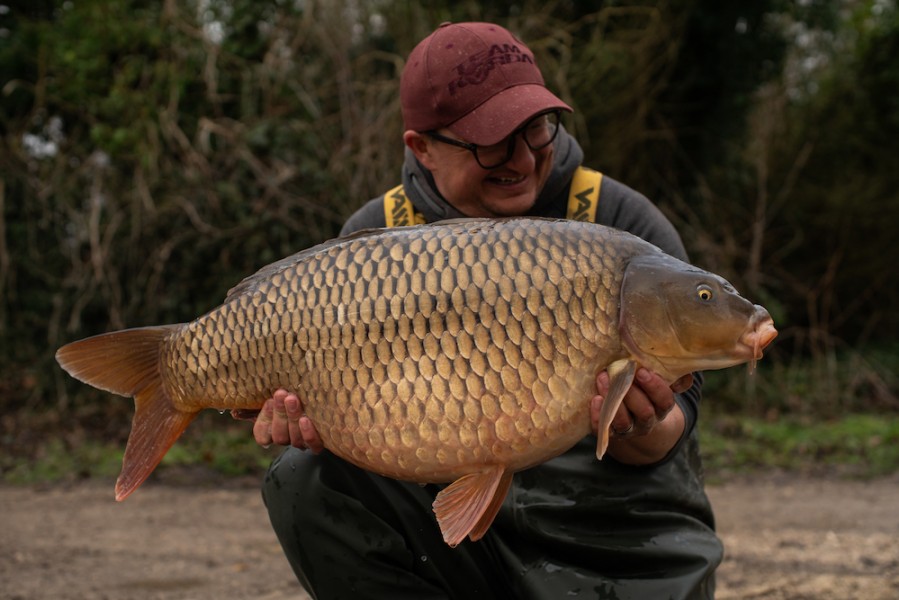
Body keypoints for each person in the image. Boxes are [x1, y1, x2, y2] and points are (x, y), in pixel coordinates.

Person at [250, 22, 722, 599]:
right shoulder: (374, 242)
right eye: (492, 140)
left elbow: (675, 432)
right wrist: (308, 416)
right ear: (421, 147)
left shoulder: (621, 226)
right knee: (306, 481)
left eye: (537, 130)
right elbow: (344, 433)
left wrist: (638, 423)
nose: (522, 159)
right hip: (459, 534)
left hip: (618, 534)